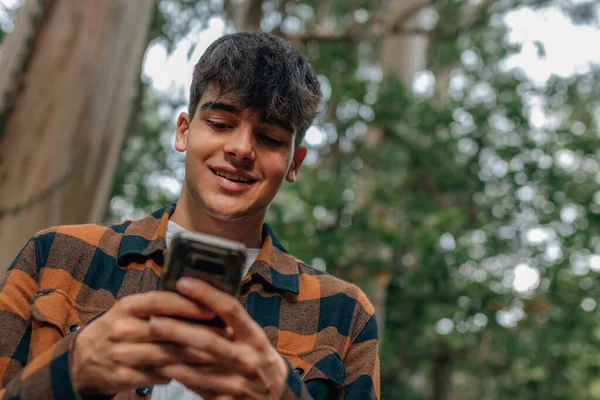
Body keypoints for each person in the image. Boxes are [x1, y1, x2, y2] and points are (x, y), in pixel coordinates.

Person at [0, 32, 379, 400]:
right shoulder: (56, 255)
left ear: (294, 163)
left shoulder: (344, 313)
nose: (241, 148)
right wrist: (71, 373)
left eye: (270, 139)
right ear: (184, 132)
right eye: (220, 124)